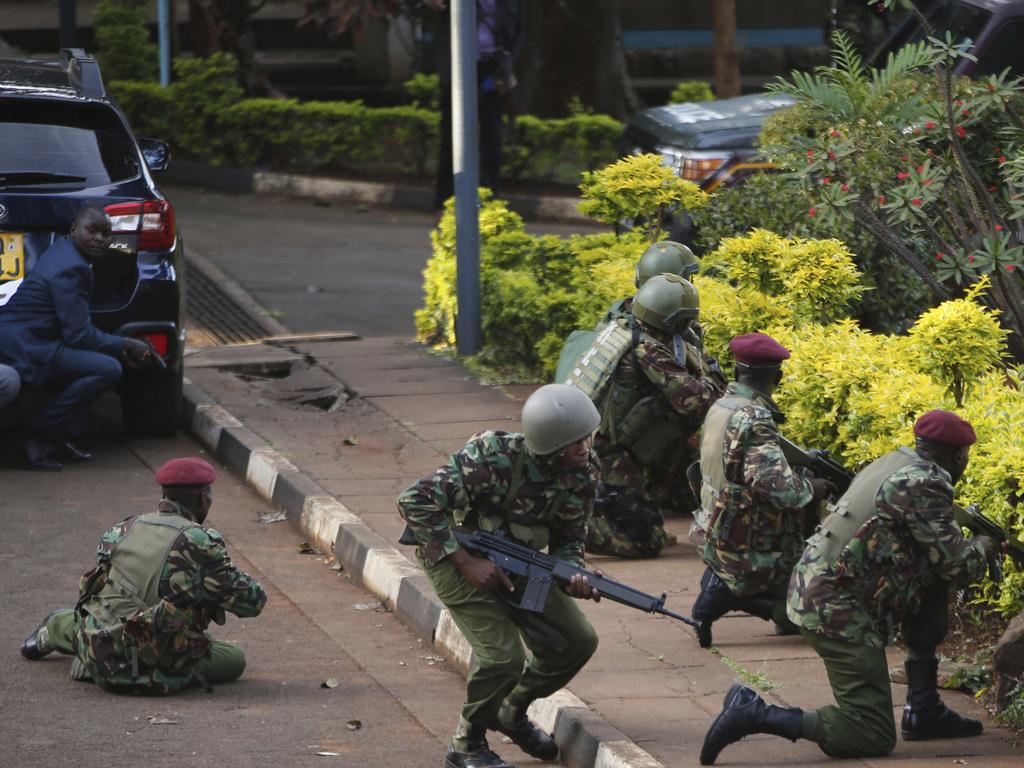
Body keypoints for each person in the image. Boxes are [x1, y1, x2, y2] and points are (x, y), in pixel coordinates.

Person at [699, 409, 995, 765]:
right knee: (870, 734)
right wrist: (984, 545)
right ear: (958, 455)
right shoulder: (924, 482)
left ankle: (925, 708)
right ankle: (754, 712)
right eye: (965, 458)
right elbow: (959, 564)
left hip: (817, 586)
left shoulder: (897, 461)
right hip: (835, 610)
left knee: (932, 584)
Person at [398, 384, 602, 768]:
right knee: (502, 658)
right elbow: (414, 500)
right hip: (453, 555)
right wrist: (464, 561)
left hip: (517, 560)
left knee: (577, 641)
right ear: (551, 444)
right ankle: (466, 745)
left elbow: (569, 538)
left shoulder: (583, 473)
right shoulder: (492, 460)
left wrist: (574, 573)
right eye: (576, 443)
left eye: (587, 438)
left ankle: (510, 710)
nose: (586, 448)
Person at [20, 457, 267, 694]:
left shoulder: (122, 530)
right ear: (203, 499)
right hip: (152, 660)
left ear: (163, 496)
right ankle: (132, 667)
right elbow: (252, 603)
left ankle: (58, 631)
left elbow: (96, 590)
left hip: (99, 647)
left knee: (91, 617)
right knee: (234, 659)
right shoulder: (200, 541)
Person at [692, 332, 832, 648]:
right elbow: (783, 491)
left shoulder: (724, 404)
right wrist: (814, 486)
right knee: (815, 615)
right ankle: (728, 593)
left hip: (714, 526)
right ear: (776, 375)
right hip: (744, 545)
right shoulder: (754, 416)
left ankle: (728, 583)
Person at [0, 205, 155, 470]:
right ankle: (37, 435)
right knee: (107, 369)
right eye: (92, 230)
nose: (99, 239)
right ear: (73, 230)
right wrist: (126, 344)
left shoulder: (65, 250)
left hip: (31, 339)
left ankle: (59, 438)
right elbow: (79, 336)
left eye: (106, 233)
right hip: (27, 345)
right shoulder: (71, 268)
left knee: (96, 360)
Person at [581, 273, 723, 559]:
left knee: (680, 501)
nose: (689, 326)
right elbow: (697, 401)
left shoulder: (631, 327)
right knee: (645, 543)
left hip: (636, 446)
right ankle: (579, 529)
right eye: (684, 320)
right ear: (671, 320)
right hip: (614, 456)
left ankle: (631, 506)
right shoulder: (647, 349)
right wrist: (711, 382)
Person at [425, 0, 524, 206]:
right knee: (452, 137)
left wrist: (507, 68)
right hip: (458, 69)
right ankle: (445, 202)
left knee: (492, 138)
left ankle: (490, 200)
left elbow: (518, 32)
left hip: (492, 70)